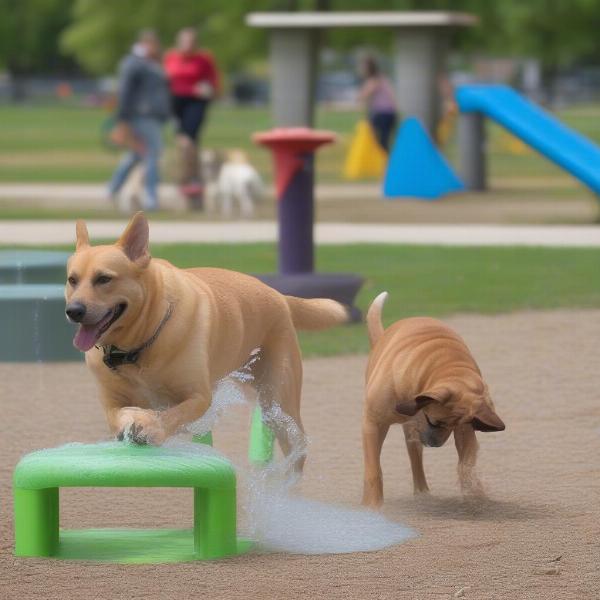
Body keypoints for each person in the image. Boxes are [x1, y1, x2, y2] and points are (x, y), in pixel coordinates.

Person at [108, 30, 171, 211]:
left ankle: (112, 188)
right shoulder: (134, 63)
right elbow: (125, 91)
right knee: (153, 153)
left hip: (150, 115)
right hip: (142, 115)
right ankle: (151, 197)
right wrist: (122, 119)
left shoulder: (151, 63)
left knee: (136, 155)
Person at [164, 27, 220, 206]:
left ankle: (189, 179)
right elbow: (164, 81)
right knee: (183, 143)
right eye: (184, 41)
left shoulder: (204, 59)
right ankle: (191, 177)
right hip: (175, 103)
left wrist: (208, 89)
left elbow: (214, 82)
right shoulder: (170, 57)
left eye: (191, 42)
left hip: (196, 103)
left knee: (188, 140)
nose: (188, 46)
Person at [358, 55, 398, 153]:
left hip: (383, 113)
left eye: (363, 67)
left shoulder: (375, 80)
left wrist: (361, 96)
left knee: (381, 142)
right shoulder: (381, 78)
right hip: (388, 113)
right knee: (382, 140)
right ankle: (384, 161)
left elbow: (364, 95)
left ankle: (384, 162)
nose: (361, 69)